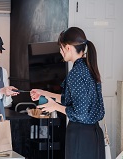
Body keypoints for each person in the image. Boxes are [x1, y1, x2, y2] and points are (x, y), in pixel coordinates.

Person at [30, 27, 105, 159]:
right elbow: (71, 100)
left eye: (62, 47)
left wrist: (55, 107)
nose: (60, 51)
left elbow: (80, 113)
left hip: (80, 136)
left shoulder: (76, 73)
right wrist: (45, 93)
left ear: (68, 47)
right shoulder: (89, 67)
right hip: (94, 135)